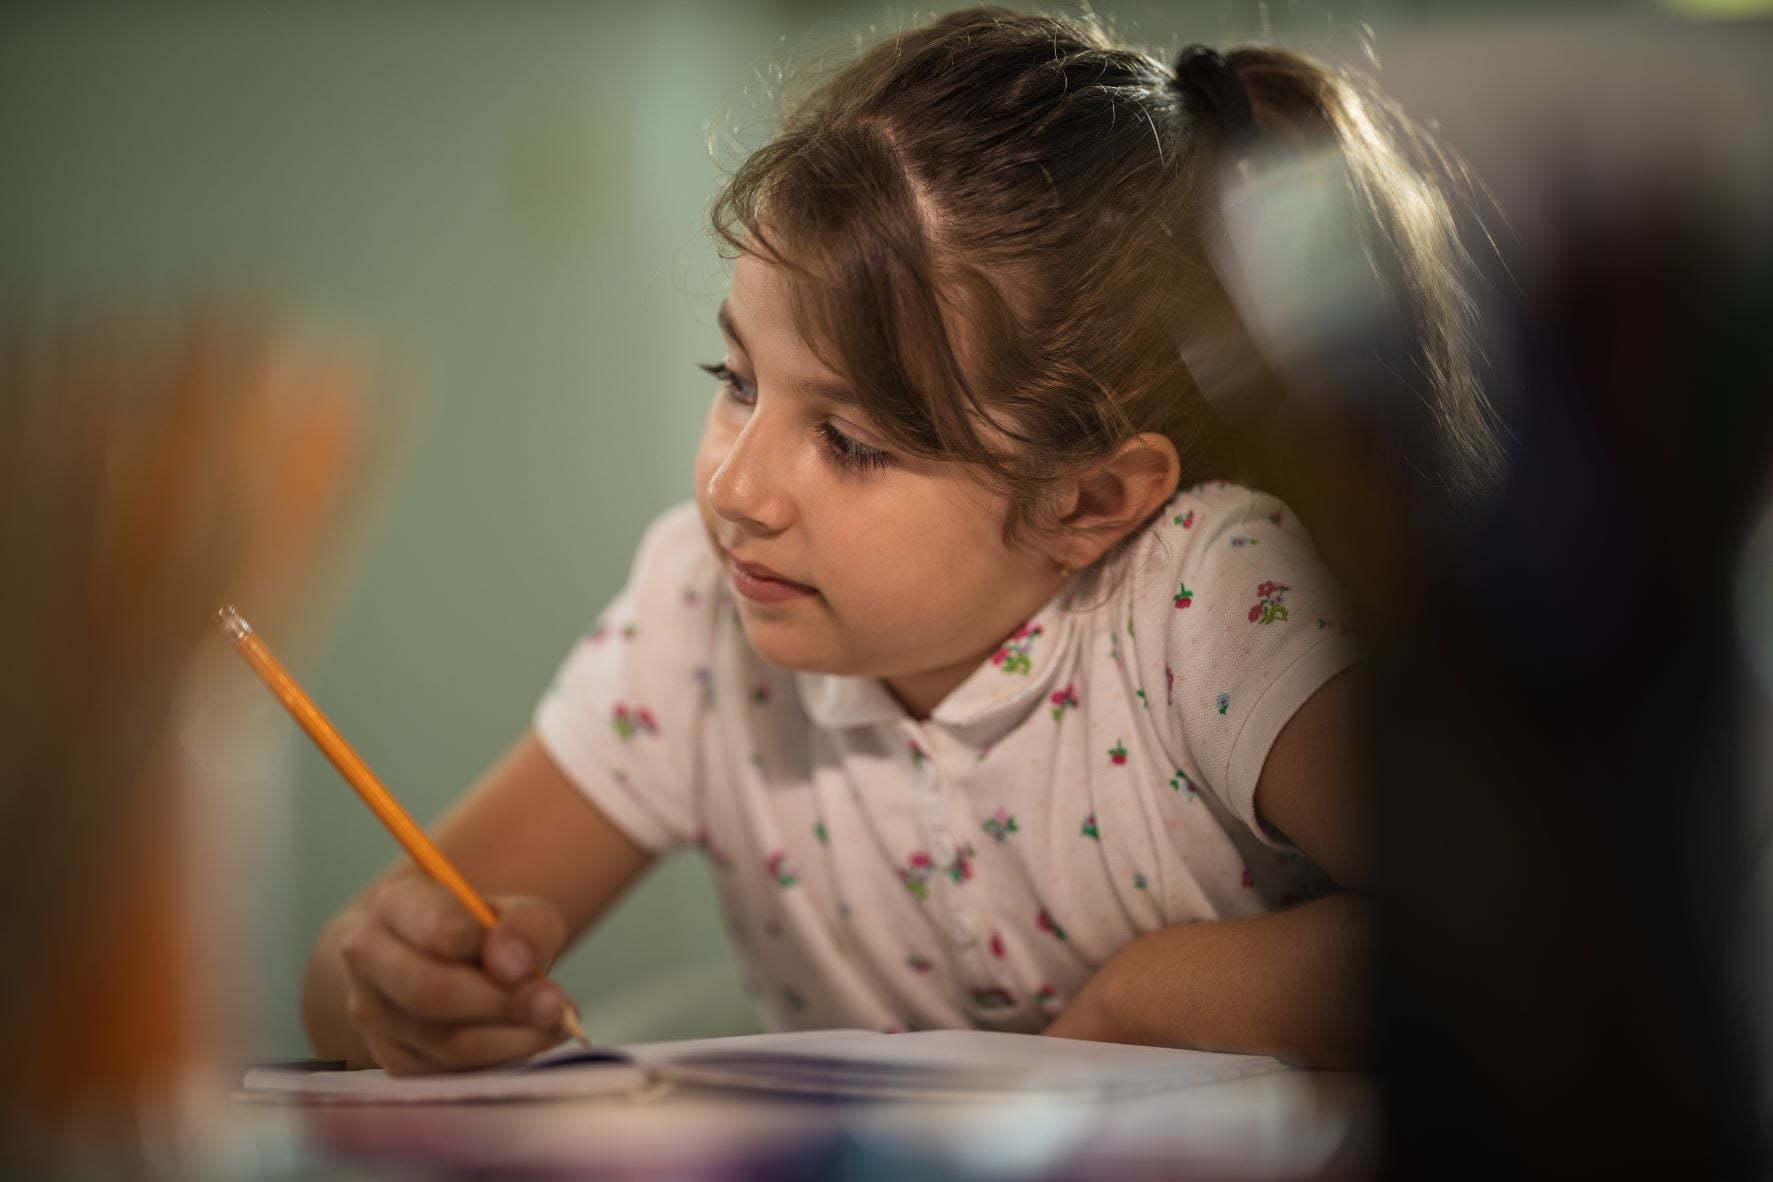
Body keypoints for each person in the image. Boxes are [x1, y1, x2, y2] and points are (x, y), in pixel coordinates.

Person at [302, 6, 1499, 1075]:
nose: (733, 485)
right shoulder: (698, 614)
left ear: (1090, 503)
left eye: (855, 441)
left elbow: (1502, 933)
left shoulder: (1206, 599)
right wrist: (385, 986)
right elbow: (354, 978)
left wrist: (1148, 998)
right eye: (734, 378)